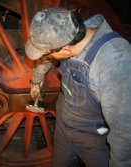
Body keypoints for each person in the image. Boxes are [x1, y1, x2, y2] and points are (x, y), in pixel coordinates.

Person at [25, 8, 131, 167]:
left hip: (94, 142)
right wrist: (36, 80)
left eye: (47, 52)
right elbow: (48, 57)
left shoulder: (115, 61)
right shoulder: (70, 32)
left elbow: (124, 130)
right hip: (63, 130)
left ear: (65, 49)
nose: (46, 56)